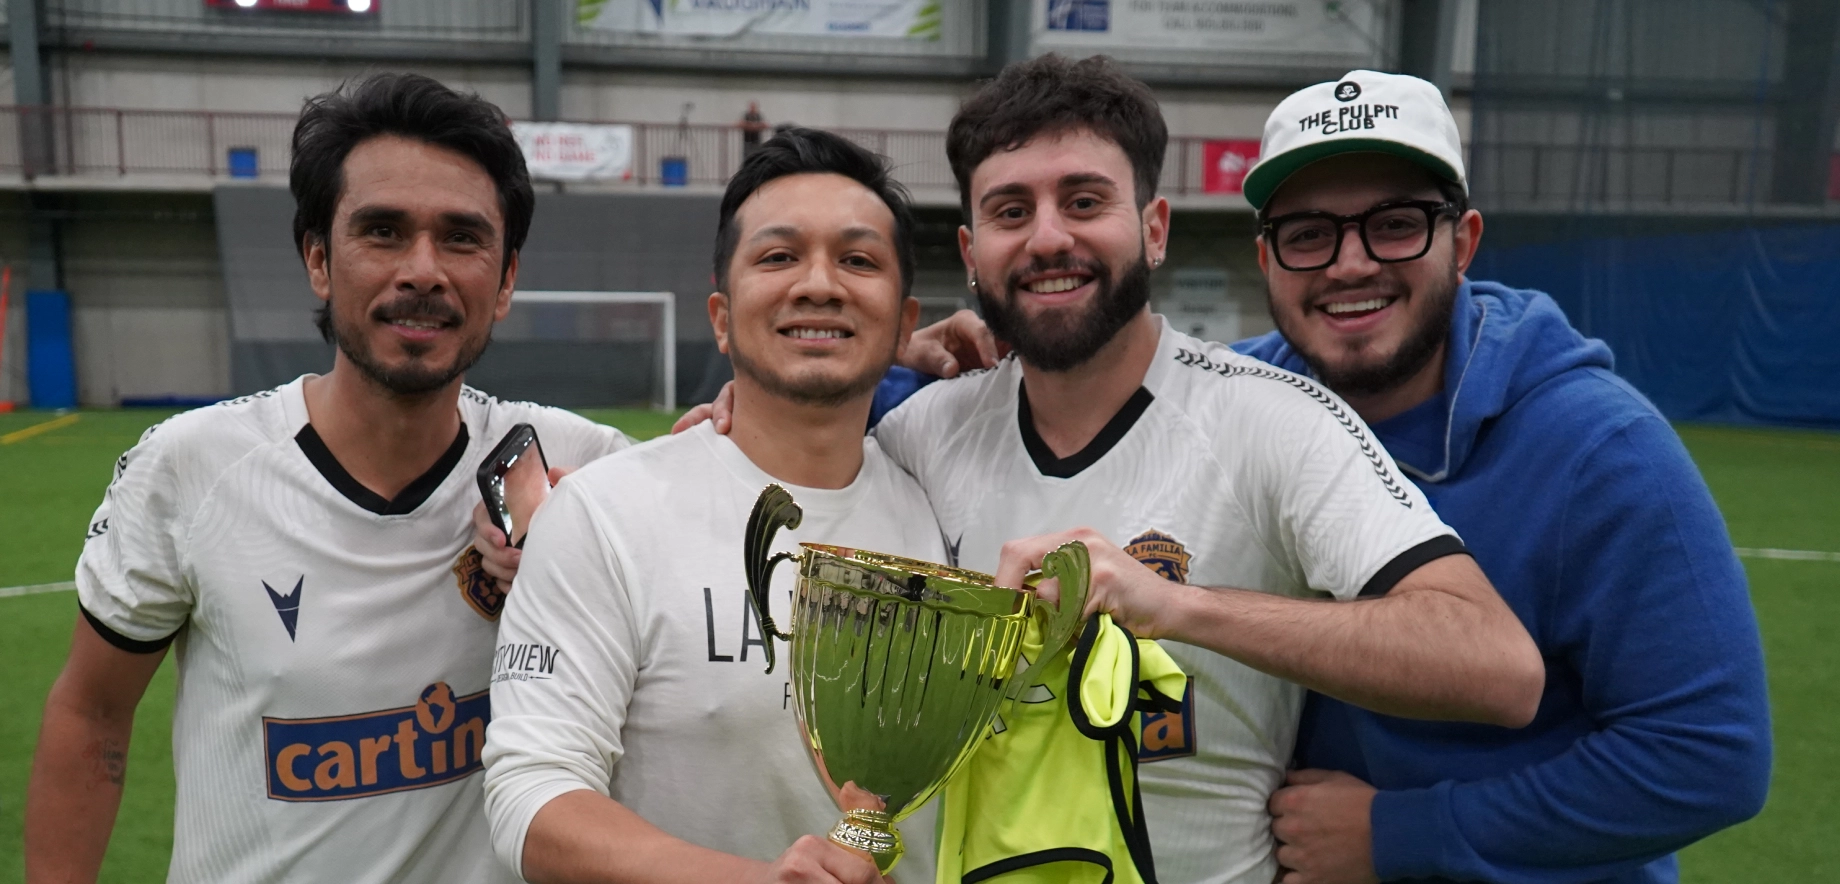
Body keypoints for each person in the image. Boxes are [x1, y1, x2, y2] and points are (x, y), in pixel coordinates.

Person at [673, 54, 1545, 884]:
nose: (1049, 237)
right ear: (973, 253)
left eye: (1084, 201)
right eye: (1012, 212)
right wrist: (736, 409)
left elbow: (1499, 667)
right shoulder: (920, 432)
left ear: (1153, 228)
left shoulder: (1274, 422)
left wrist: (1180, 606)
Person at [23, 73, 631, 884]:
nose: (423, 270)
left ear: (507, 277)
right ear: (318, 259)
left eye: (461, 238)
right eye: (383, 232)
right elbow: (92, 712)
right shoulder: (190, 467)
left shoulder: (580, 468)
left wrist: (727, 418)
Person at [1232, 71, 1771, 884]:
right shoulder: (1231, 407)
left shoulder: (1601, 446)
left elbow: (1709, 755)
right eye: (1308, 233)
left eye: (1396, 224)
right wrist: (976, 366)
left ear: (1465, 241)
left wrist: (1405, 832)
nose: (1350, 264)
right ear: (1266, 257)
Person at [481, 128, 940, 884]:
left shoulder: (947, 512)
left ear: (905, 322)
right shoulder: (606, 512)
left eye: (858, 260)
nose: (819, 284)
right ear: (721, 317)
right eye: (778, 256)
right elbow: (531, 796)